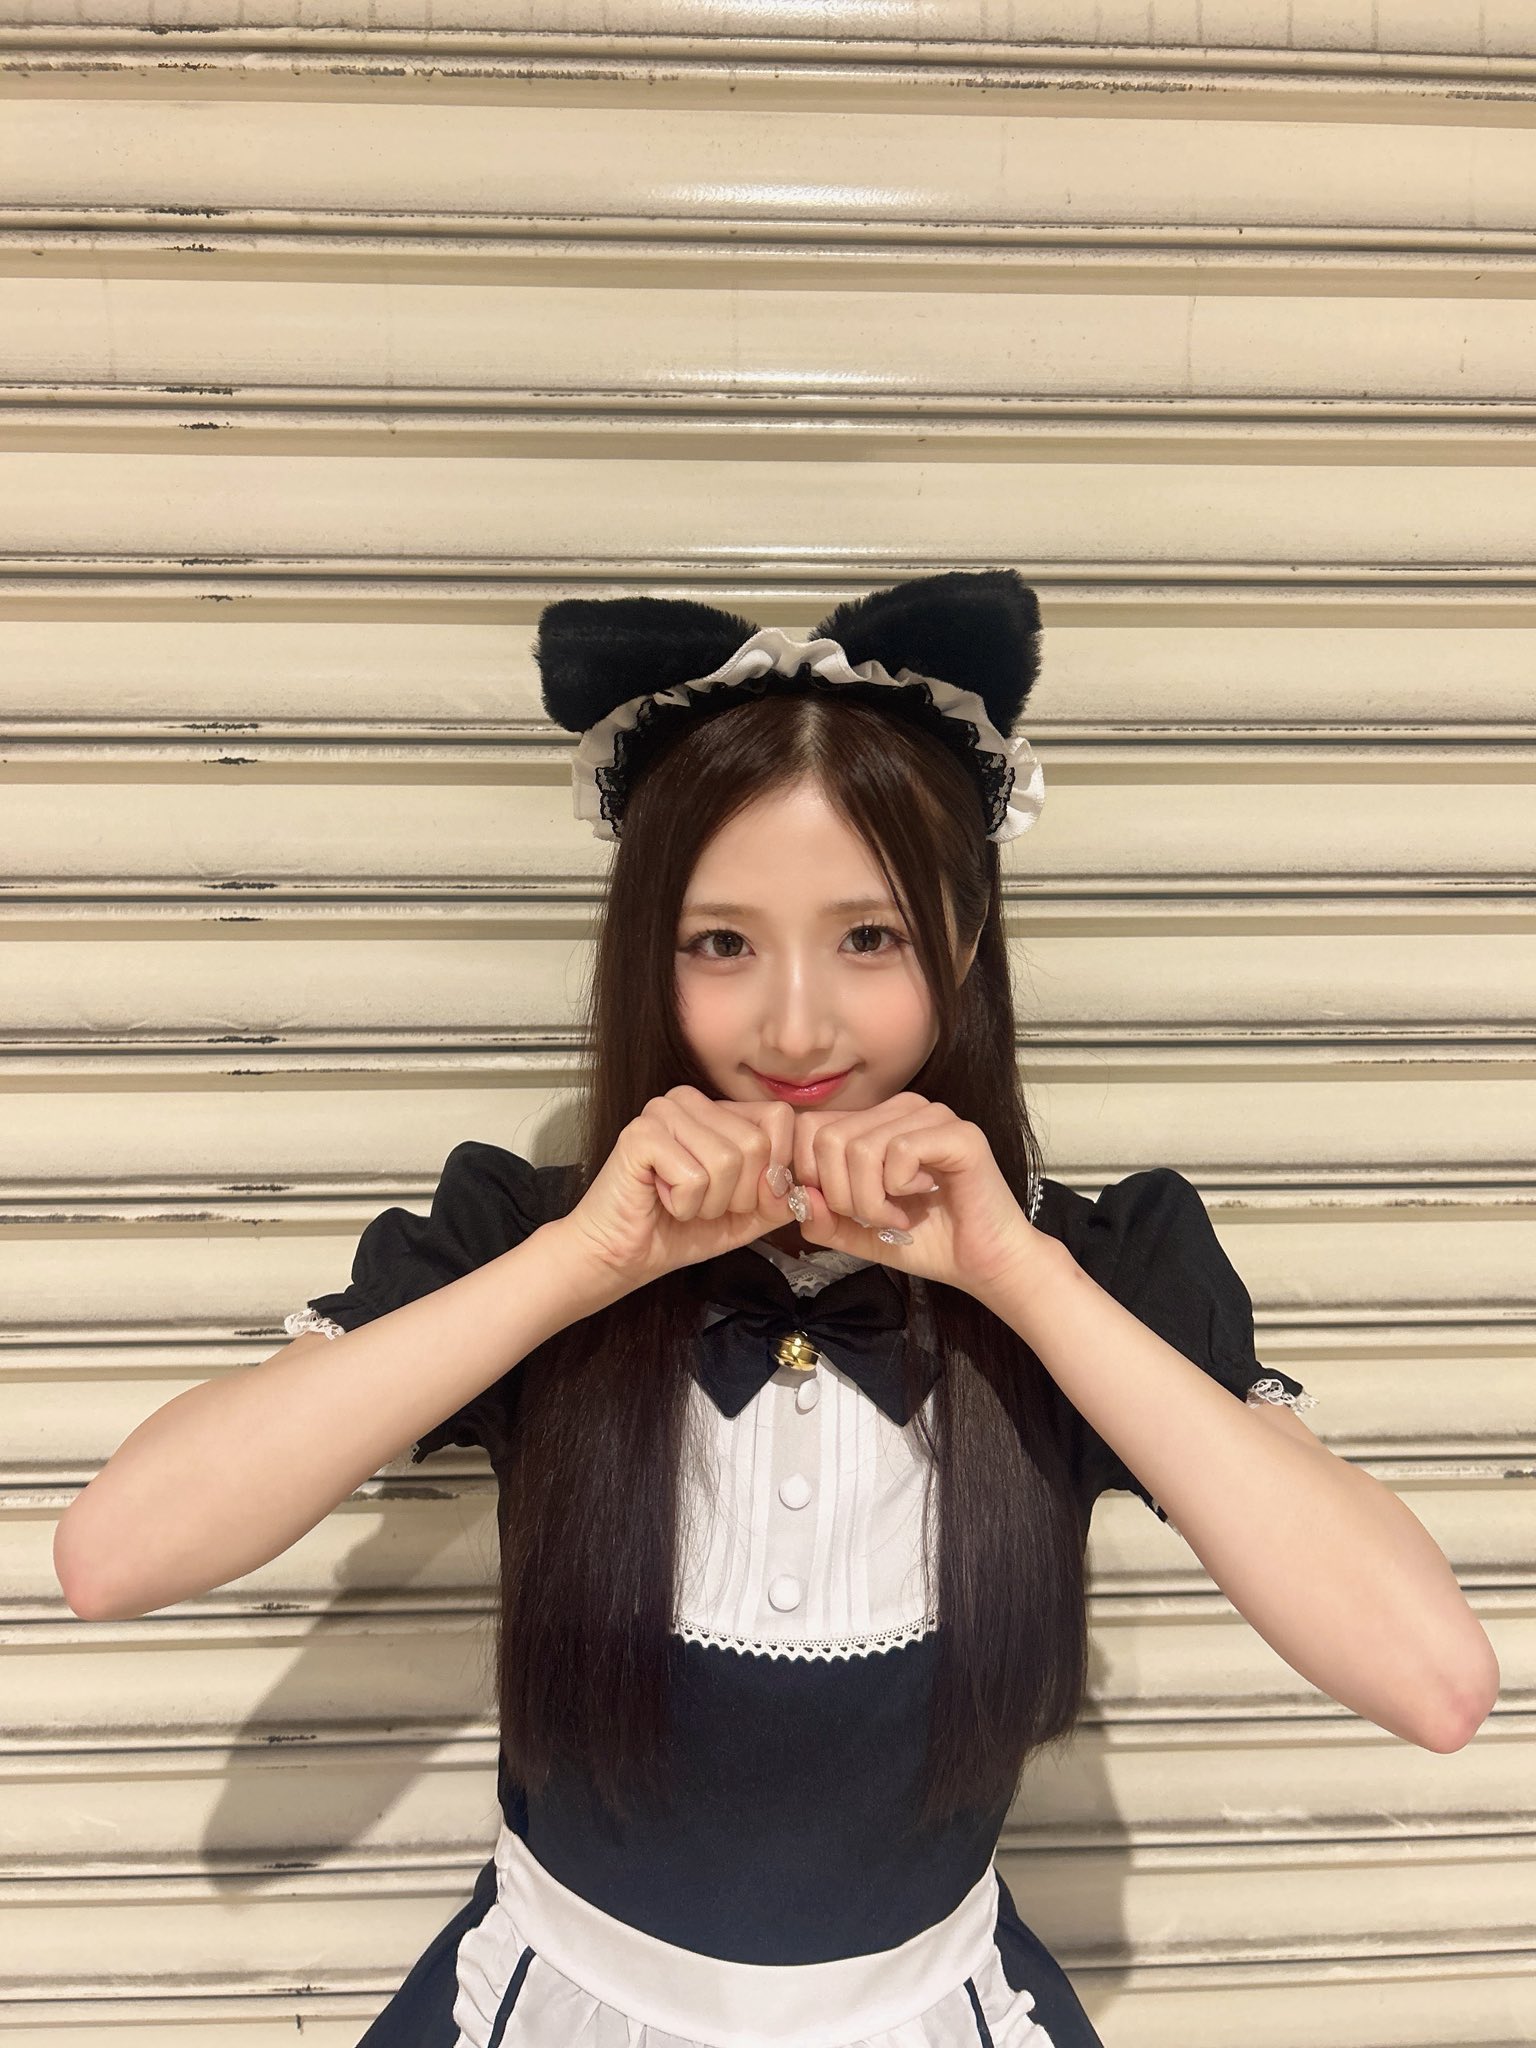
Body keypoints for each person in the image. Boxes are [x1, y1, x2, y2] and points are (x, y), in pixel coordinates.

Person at [277, 569, 1492, 2047]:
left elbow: (1434, 1682)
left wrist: (1017, 1277)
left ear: (966, 941)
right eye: (721, 943)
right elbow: (117, 1552)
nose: (796, 1024)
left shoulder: (1091, 1267)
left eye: (871, 937)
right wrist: (579, 1266)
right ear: (645, 956)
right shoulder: (525, 1238)